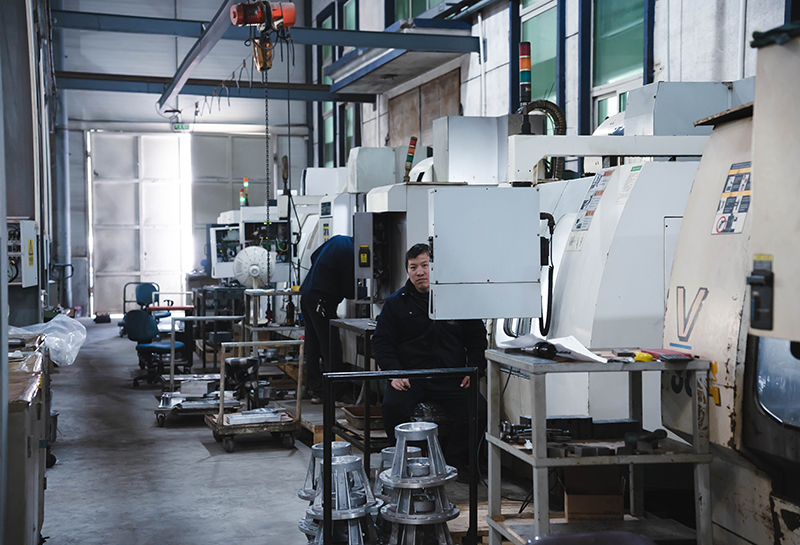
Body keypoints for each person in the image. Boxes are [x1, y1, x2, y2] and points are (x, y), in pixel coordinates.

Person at [372, 242, 488, 472]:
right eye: (413, 267)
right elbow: (382, 341)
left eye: (425, 265)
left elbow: (476, 338)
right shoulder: (396, 303)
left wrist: (474, 369)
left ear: (434, 267)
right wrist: (394, 373)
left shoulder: (458, 300)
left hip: (450, 377)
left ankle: (451, 464)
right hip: (411, 378)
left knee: (478, 410)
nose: (420, 272)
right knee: (392, 407)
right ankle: (411, 462)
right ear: (407, 271)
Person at [299, 235, 355, 403]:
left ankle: (316, 390)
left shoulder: (338, 240)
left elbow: (313, 256)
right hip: (321, 300)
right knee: (331, 345)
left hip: (307, 295)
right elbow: (349, 290)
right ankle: (337, 394)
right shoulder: (351, 252)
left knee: (313, 344)